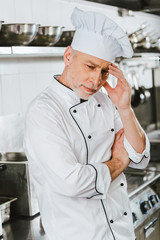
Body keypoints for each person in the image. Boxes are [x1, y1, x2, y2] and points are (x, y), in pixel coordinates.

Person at [24, 7, 150, 240]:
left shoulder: (104, 99)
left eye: (104, 72)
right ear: (69, 56)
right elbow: (73, 183)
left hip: (121, 233)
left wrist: (125, 108)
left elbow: (141, 158)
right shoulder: (44, 111)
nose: (96, 81)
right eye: (90, 67)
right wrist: (119, 161)